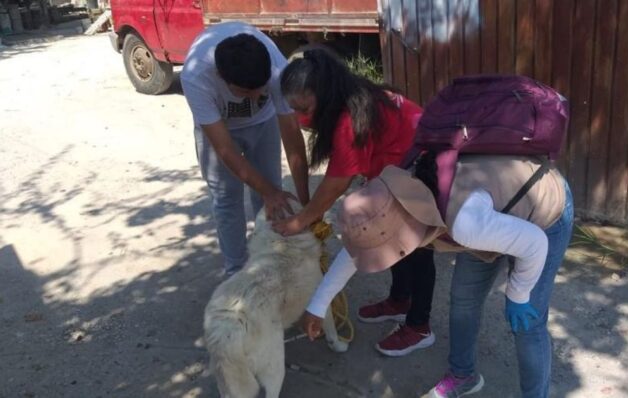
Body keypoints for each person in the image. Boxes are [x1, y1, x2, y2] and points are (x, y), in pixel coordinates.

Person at [301, 154, 574, 398]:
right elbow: (357, 247)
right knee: (463, 301)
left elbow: (535, 243)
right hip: (491, 211)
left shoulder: (464, 224)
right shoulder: (396, 198)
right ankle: (463, 376)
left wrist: (518, 293)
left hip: (542, 210)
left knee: (528, 322)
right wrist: (318, 305)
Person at [270, 49, 438, 356]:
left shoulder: (348, 120)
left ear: (325, 94)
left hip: (422, 170)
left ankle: (419, 326)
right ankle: (400, 301)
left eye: (304, 108)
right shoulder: (353, 96)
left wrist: (301, 220)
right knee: (396, 240)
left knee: (417, 248)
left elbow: (336, 184)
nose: (299, 118)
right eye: (293, 109)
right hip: (401, 165)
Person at [180, 22, 310, 275]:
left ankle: (270, 261)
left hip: (264, 124)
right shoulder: (196, 77)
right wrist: (269, 192)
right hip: (220, 127)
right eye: (244, 92)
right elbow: (226, 150)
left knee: (272, 192)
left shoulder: (276, 70)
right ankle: (236, 271)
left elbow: (293, 138)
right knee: (226, 198)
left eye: (259, 90)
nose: (254, 97)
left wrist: (306, 205)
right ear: (221, 77)